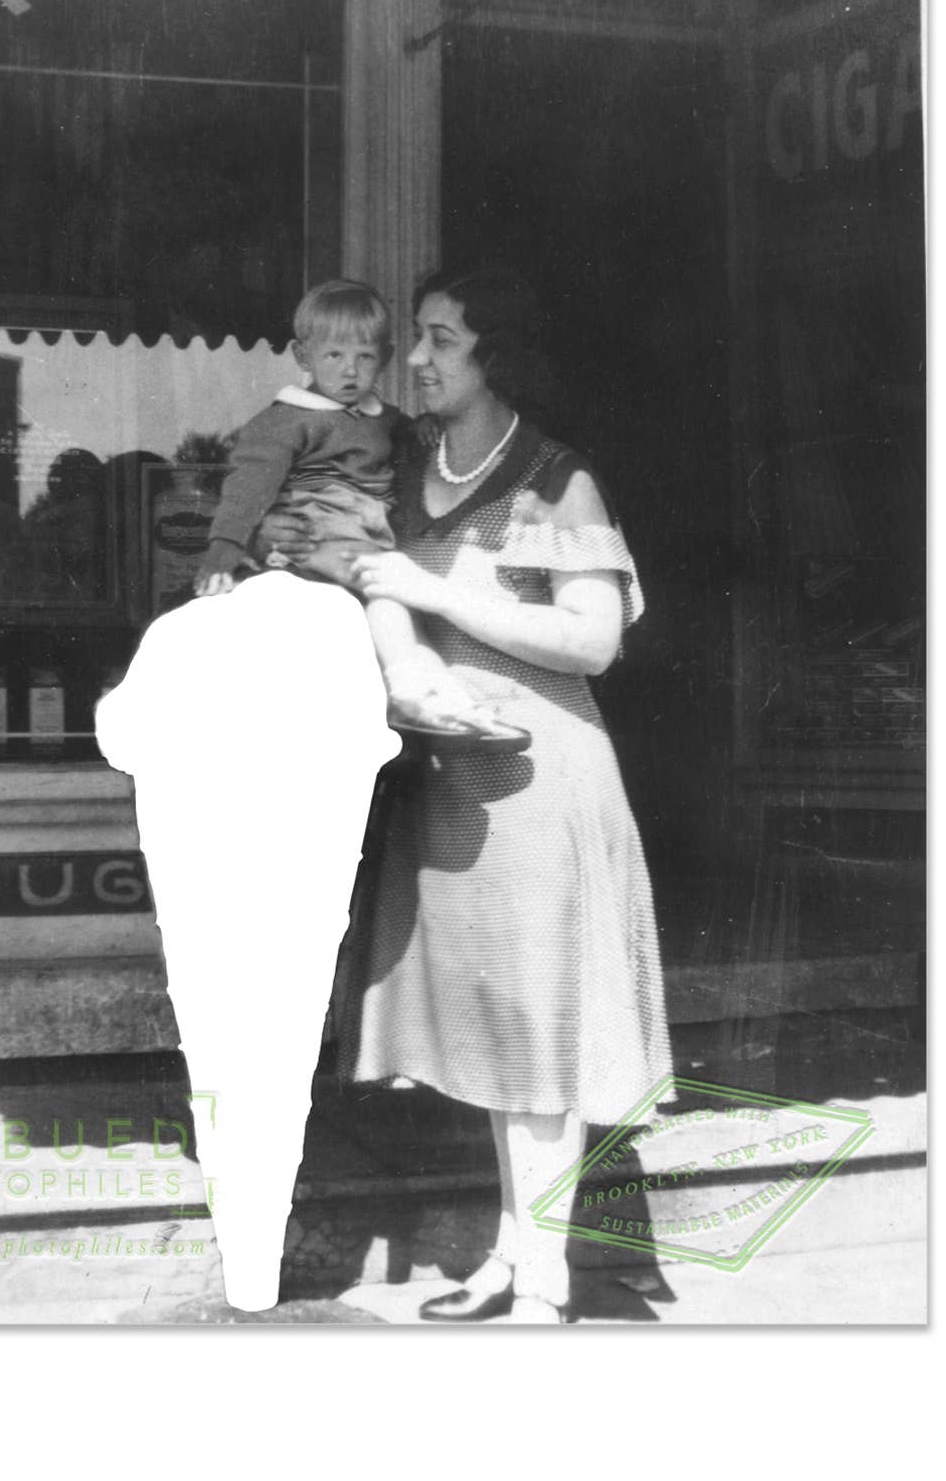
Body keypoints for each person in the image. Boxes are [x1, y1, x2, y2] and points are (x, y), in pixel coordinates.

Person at [268, 266, 675, 1324]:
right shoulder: (408, 466)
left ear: (499, 357)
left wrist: (435, 591)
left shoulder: (555, 478)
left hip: (542, 784)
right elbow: (348, 559)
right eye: (416, 336)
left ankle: (542, 1282)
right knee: (500, 1039)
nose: (414, 358)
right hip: (456, 787)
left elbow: (594, 640)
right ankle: (511, 1257)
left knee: (541, 1041)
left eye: (442, 339)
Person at [196, 278, 517, 739]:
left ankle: (437, 695)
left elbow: (403, 444)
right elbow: (248, 485)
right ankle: (415, 688)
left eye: (364, 357)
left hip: (364, 537)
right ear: (303, 356)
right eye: (334, 356)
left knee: (392, 605)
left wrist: (423, 427)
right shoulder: (285, 420)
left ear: (384, 358)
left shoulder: (385, 420)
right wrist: (226, 545)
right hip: (316, 533)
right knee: (387, 601)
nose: (350, 371)